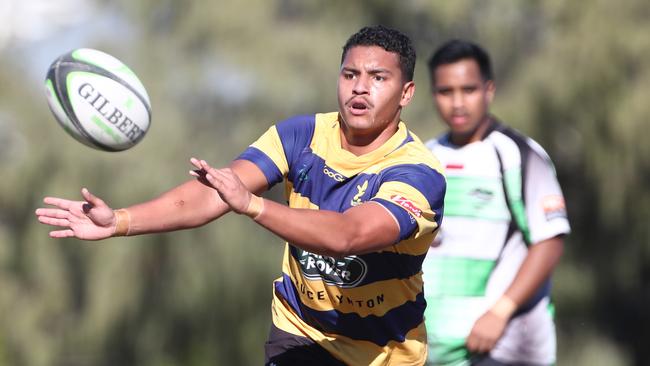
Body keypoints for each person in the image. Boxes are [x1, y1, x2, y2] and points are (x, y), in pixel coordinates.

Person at [36, 25, 446, 366]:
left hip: (385, 353)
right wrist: (121, 221)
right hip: (300, 333)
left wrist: (252, 205)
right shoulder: (300, 136)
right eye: (350, 74)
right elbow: (213, 193)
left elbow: (349, 235)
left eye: (378, 78)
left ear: (406, 92)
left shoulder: (417, 174)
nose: (360, 89)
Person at [421, 40, 570, 366]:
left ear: (489, 90)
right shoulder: (426, 157)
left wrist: (500, 312)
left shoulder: (518, 154)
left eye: (468, 90)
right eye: (446, 91)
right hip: (436, 353)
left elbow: (550, 240)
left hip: (505, 348)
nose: (457, 103)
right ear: (433, 95)